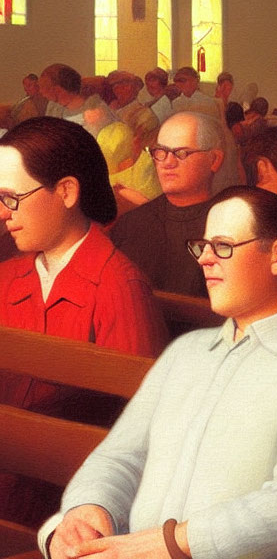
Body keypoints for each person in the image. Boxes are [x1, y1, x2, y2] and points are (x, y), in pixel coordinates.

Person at [37, 186, 277, 559]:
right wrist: (88, 510)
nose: (205, 260)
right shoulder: (186, 353)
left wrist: (171, 543)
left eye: (223, 247)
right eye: (203, 247)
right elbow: (121, 455)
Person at [0, 116, 167, 526]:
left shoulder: (118, 287)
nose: (3, 213)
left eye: (11, 198)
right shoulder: (8, 276)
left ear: (67, 191)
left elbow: (136, 428)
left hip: (65, 501)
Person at [110, 112, 226, 297]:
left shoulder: (230, 228)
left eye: (182, 153)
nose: (167, 163)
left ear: (214, 160)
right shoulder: (131, 224)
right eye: (160, 153)